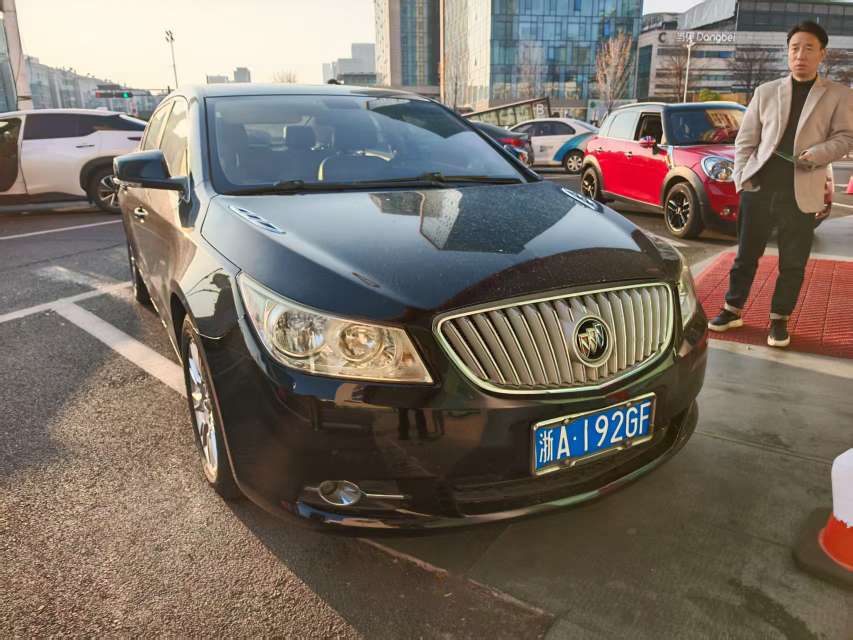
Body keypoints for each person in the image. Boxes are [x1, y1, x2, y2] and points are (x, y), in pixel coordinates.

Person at [709, 21, 852, 348]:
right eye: (794, 48)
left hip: (801, 191)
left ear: (822, 54)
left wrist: (817, 154)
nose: (800, 55)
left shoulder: (839, 95)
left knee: (793, 261)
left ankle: (779, 319)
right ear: (787, 53)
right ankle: (732, 309)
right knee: (745, 255)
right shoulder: (766, 91)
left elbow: (846, 137)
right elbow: (746, 141)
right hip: (759, 186)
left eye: (809, 48)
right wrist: (741, 179)